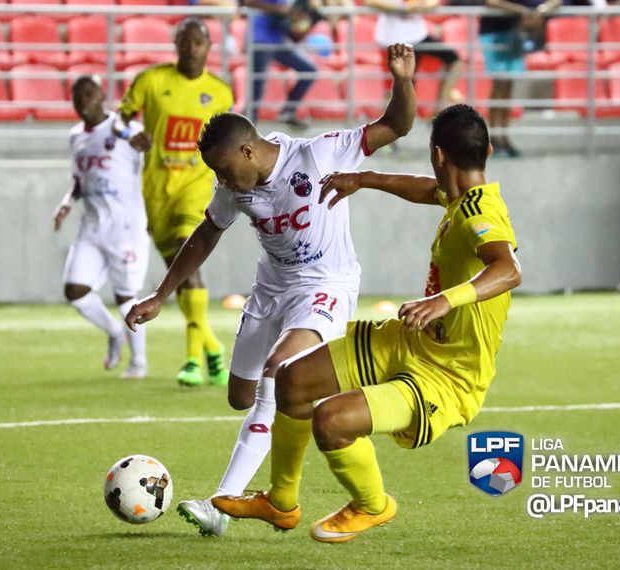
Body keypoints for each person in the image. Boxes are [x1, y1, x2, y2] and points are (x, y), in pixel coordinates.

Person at [125, 43, 417, 538]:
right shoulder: (233, 188)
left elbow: (397, 125)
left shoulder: (317, 154)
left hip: (326, 286)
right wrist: (160, 294)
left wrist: (403, 79)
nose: (220, 181)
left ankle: (222, 504)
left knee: (276, 376)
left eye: (222, 170)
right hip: (271, 289)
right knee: (241, 396)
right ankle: (327, 380)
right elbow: (207, 233)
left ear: (247, 150)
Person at [212, 103, 522, 543]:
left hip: (447, 376)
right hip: (410, 341)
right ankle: (280, 502)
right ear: (486, 150)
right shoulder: (459, 197)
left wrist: (443, 302)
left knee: (332, 421)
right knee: (293, 378)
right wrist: (365, 179)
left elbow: (508, 270)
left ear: (437, 155)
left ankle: (372, 505)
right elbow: (422, 189)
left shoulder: (479, 214)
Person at [117, 18, 234, 386]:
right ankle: (212, 347)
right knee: (180, 274)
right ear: (176, 44)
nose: (191, 48)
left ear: (208, 47)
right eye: (184, 41)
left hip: (197, 188)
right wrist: (133, 134)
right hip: (157, 190)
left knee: (189, 258)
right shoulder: (151, 81)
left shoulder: (219, 92)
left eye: (198, 42)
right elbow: (119, 120)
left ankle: (192, 361)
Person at [54, 76, 151, 379]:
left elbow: (149, 153)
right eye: (77, 95)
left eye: (88, 94)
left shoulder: (125, 130)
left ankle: (139, 362)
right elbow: (79, 180)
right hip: (92, 227)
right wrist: (67, 203)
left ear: (101, 96)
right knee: (75, 290)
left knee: (126, 297)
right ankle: (113, 332)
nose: (83, 100)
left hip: (125, 229)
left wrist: (147, 146)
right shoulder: (75, 137)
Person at [479, 0, 559, 157]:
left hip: (514, 34)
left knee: (508, 88)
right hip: (494, 34)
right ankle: (494, 139)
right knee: (499, 87)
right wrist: (521, 10)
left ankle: (504, 138)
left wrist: (540, 10)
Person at [363, 0, 463, 109]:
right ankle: (392, 122)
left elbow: (433, 2)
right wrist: (403, 8)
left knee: (454, 60)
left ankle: (440, 107)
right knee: (398, 87)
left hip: (418, 35)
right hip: (393, 39)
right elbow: (370, 2)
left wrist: (424, 6)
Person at [240, 0, 318, 129]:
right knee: (257, 87)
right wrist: (280, 10)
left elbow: (288, 20)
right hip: (260, 40)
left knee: (309, 70)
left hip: (279, 39)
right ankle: (246, 125)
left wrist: (299, 19)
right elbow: (247, 2)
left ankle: (288, 112)